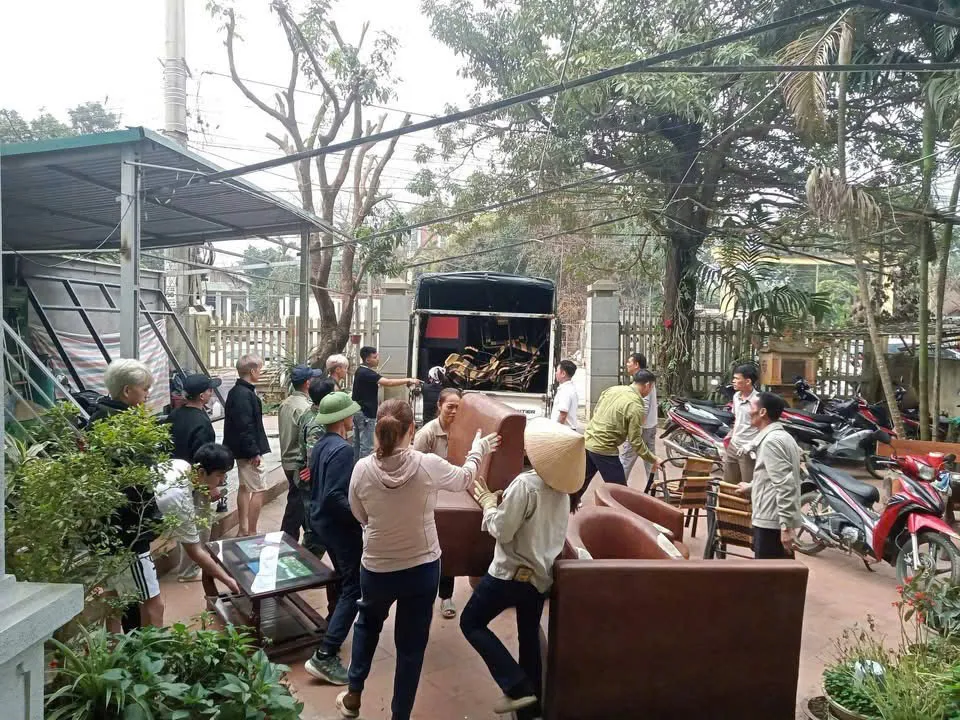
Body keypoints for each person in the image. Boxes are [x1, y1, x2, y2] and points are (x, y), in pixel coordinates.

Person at [334, 399, 500, 720]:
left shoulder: (362, 469)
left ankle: (353, 695)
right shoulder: (428, 465)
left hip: (377, 567)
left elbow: (360, 514)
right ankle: (400, 715)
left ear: (378, 428)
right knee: (411, 647)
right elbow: (465, 478)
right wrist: (478, 450)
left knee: (367, 624)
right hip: (421, 569)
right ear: (412, 429)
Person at [461, 418, 583, 717]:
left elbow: (502, 531)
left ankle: (516, 686)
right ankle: (532, 709)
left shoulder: (526, 484)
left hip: (508, 575)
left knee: (471, 622)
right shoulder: (564, 491)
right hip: (540, 578)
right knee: (528, 637)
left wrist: (489, 504)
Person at [91, 359, 164, 632]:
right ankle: (152, 652)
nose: (147, 394)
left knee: (115, 598)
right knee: (152, 602)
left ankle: (115, 650)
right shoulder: (125, 428)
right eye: (144, 388)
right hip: (129, 530)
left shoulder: (98, 419)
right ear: (127, 391)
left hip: (108, 529)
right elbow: (138, 484)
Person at [304, 392, 363, 686]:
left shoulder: (321, 445)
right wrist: (361, 516)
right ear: (342, 418)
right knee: (355, 586)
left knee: (343, 578)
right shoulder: (342, 450)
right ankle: (325, 654)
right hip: (339, 528)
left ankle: (333, 624)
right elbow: (334, 495)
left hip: (321, 524)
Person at [154, 442, 242, 623]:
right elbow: (194, 551)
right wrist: (228, 580)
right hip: (128, 536)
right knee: (152, 604)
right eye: (220, 475)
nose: (222, 481)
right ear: (201, 472)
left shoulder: (182, 465)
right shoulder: (177, 497)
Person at [572, 369, 663, 510]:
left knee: (579, 484)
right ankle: (621, 519)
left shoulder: (613, 390)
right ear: (647, 385)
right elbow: (635, 441)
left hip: (589, 440)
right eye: (652, 388)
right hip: (604, 448)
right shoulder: (636, 406)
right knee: (620, 493)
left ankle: (561, 511)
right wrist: (653, 459)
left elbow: (596, 411)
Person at [167, 372, 222, 582]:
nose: (211, 392)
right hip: (196, 480)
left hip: (175, 478)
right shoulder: (201, 422)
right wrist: (211, 486)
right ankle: (189, 571)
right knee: (200, 524)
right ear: (201, 396)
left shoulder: (174, 415)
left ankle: (185, 566)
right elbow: (204, 459)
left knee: (184, 523)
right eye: (209, 390)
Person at [413, 388, 463, 619]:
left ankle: (446, 596)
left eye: (458, 407)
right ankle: (421, 597)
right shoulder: (427, 434)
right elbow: (414, 467)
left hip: (453, 500)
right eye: (450, 406)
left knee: (449, 548)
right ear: (439, 406)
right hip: (428, 500)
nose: (454, 411)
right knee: (425, 550)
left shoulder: (462, 430)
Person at [735, 392, 803, 559]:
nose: (748, 411)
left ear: (762, 412)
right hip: (774, 519)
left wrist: (786, 527)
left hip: (771, 523)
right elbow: (774, 476)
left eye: (751, 407)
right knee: (781, 571)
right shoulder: (783, 436)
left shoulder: (771, 442)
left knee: (768, 573)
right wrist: (751, 486)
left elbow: (785, 485)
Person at [222, 354, 271, 536]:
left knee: (244, 487)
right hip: (248, 451)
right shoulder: (243, 394)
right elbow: (245, 426)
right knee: (259, 489)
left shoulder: (238, 391)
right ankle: (251, 531)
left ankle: (243, 529)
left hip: (241, 449)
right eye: (259, 369)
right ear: (252, 371)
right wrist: (254, 452)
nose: (260, 372)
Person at [351, 346, 421, 462]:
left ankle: (355, 466)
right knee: (367, 445)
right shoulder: (366, 373)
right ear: (367, 360)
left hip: (359, 411)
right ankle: (365, 468)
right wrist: (409, 380)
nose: (378, 359)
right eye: (375, 357)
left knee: (357, 444)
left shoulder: (360, 371)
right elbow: (388, 382)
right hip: (366, 413)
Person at [279, 364, 324, 541]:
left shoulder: (286, 403)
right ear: (307, 383)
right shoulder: (305, 408)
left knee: (299, 505)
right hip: (300, 463)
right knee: (296, 509)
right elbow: (308, 439)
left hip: (287, 460)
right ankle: (286, 542)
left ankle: (302, 539)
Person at [618, 353, 658, 480]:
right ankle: (655, 487)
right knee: (651, 460)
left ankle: (617, 486)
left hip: (642, 427)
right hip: (651, 425)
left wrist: (637, 427)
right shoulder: (647, 378)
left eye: (629, 362)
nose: (627, 364)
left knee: (626, 459)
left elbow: (643, 406)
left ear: (636, 364)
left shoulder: (643, 381)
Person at [725, 364, 761, 486]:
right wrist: (730, 437)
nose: (733, 381)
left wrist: (751, 446)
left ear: (748, 381)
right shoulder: (736, 396)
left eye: (737, 378)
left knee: (747, 486)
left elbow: (763, 427)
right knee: (728, 485)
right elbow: (737, 419)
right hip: (734, 446)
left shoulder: (758, 401)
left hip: (748, 450)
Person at [551, 359, 580, 432]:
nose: (556, 373)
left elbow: (563, 415)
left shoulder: (565, 390)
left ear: (563, 374)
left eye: (557, 371)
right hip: (567, 430)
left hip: (564, 431)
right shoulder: (569, 388)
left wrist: (556, 431)